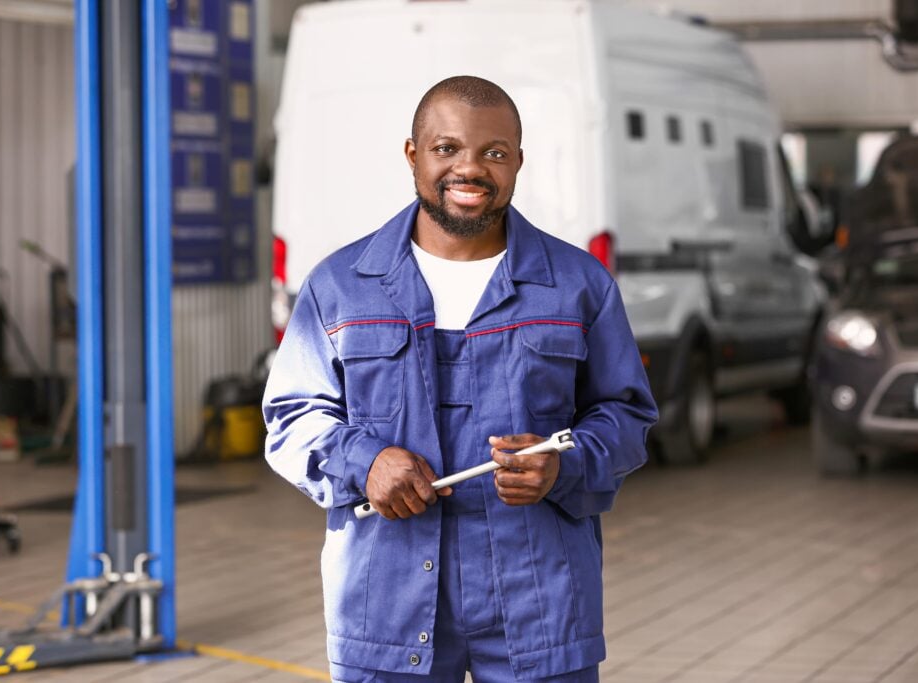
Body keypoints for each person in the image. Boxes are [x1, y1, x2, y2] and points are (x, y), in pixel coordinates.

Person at [263, 75, 657, 683]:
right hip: (385, 600)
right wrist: (364, 462)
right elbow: (292, 417)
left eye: (493, 152)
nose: (468, 169)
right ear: (413, 154)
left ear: (519, 161)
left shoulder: (578, 284)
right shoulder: (341, 285)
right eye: (446, 148)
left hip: (540, 601)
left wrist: (565, 465)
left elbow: (625, 416)